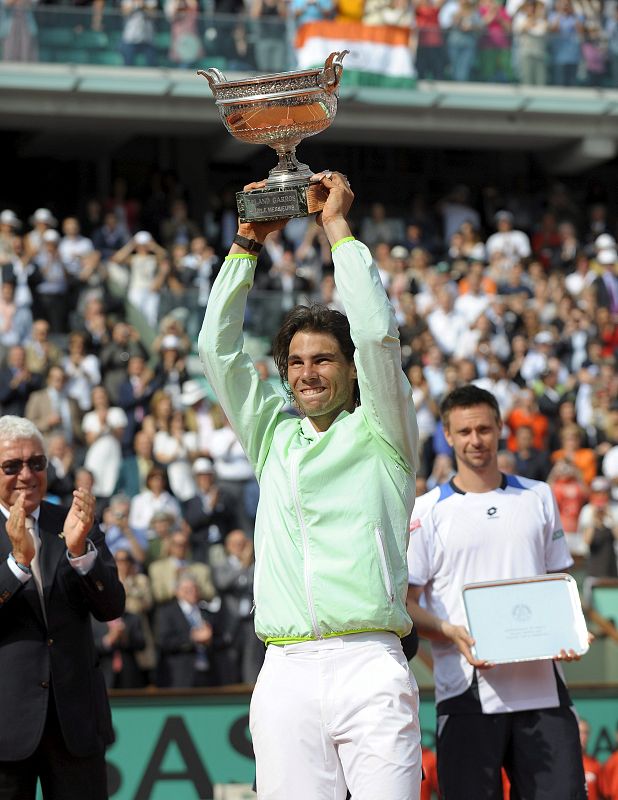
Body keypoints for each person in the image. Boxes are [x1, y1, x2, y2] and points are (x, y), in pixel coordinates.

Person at [199, 171, 421, 800]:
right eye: (295, 362)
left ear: (351, 370)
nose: (307, 373)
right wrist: (244, 246)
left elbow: (378, 334)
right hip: (285, 669)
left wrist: (336, 230)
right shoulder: (271, 435)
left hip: (370, 661)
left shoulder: (385, 432)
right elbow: (218, 354)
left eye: (323, 359)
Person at [407, 384, 587, 800]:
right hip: (466, 693)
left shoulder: (539, 496)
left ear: (500, 429)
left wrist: (572, 630)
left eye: (484, 429)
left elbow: (560, 586)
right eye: (465, 431)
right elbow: (407, 604)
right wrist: (450, 631)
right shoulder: (427, 510)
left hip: (543, 689)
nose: (476, 441)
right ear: (448, 436)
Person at [0, 414, 125, 799]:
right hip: (4, 729)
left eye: (37, 463)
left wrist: (78, 553)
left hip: (75, 724)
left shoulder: (73, 522)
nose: (26, 474)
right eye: (11, 466)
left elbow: (111, 605)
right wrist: (18, 565)